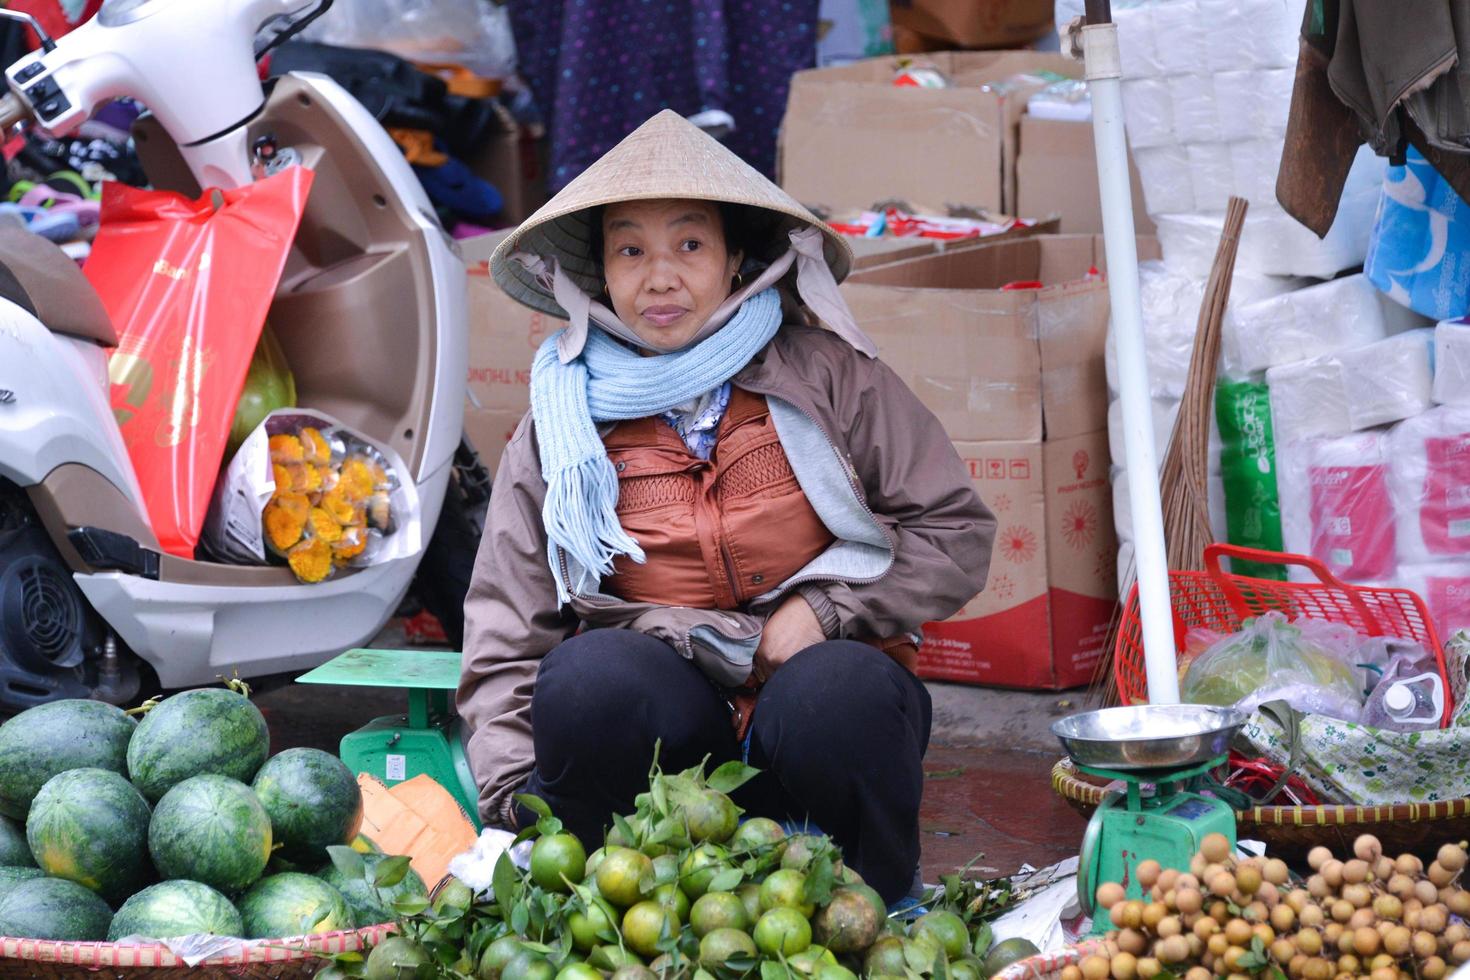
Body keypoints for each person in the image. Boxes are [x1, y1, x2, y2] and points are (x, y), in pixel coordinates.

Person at [458, 110, 995, 904]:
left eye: (690, 244)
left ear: (737, 259)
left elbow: (955, 532)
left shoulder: (831, 375)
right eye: (630, 250)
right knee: (588, 678)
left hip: (807, 720)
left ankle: (873, 907)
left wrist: (827, 611)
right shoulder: (563, 417)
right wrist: (510, 803)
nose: (660, 276)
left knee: (841, 691)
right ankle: (625, 903)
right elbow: (508, 627)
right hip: (662, 750)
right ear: (601, 274)